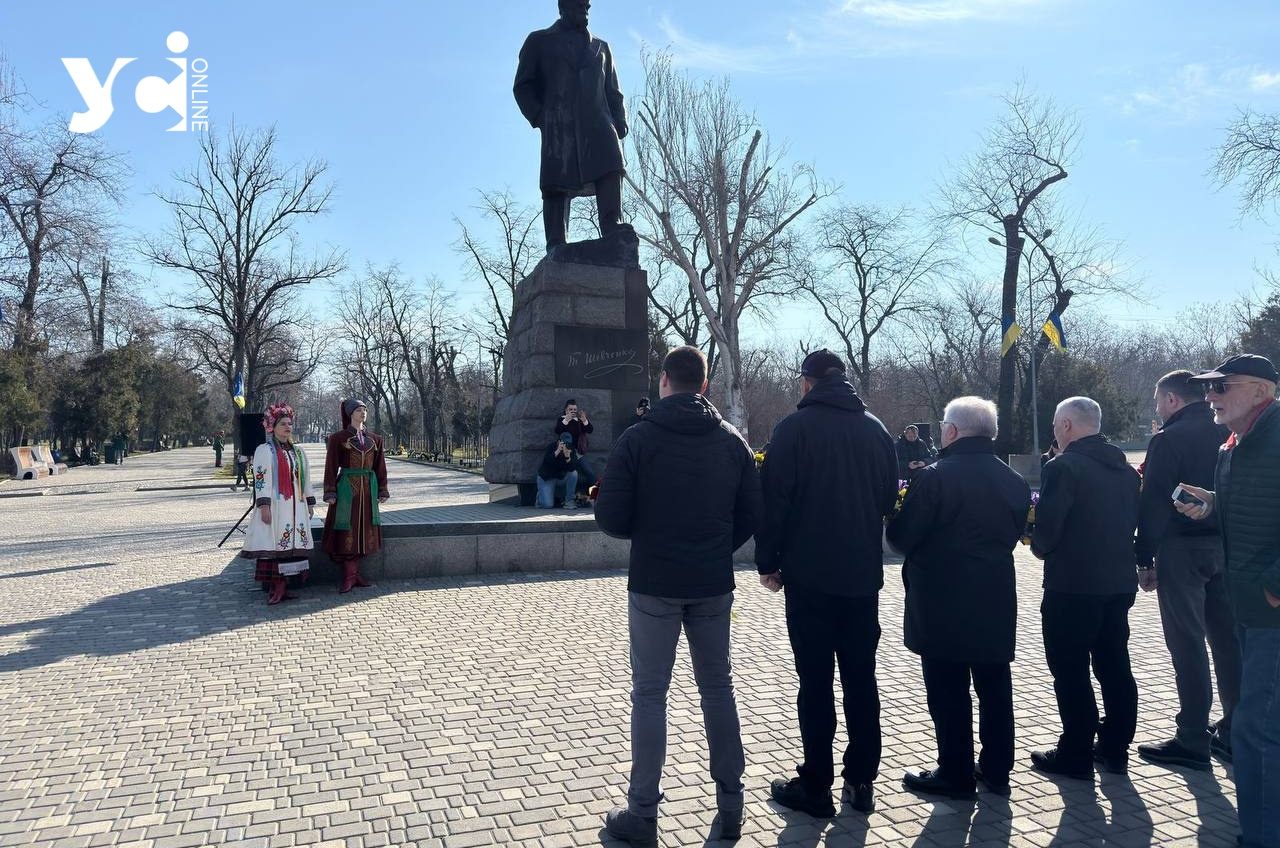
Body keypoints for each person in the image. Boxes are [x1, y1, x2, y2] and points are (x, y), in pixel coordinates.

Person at [594, 345, 761, 846]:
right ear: (705, 385)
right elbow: (751, 514)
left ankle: (643, 814)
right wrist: (713, 548)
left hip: (654, 584)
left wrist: (648, 534)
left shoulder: (637, 440)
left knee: (649, 694)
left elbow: (611, 518)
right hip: (711, 582)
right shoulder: (732, 441)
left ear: (664, 380)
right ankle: (731, 806)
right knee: (718, 689)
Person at [756, 349, 898, 817]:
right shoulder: (876, 430)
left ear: (807, 382)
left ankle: (815, 783)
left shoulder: (793, 430)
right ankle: (861, 781)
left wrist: (768, 562)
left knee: (814, 681)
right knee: (862, 680)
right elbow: (885, 499)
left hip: (809, 575)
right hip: (860, 576)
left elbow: (774, 501)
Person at [887, 397, 1030, 799]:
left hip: (942, 597)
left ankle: (955, 773)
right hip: (995, 595)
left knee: (948, 689)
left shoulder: (934, 477)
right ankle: (998, 770)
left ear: (951, 431)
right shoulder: (1014, 480)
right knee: (995, 685)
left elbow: (901, 538)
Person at [1177, 354, 1280, 848]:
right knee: (1258, 728)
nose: (1210, 397)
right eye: (1207, 388)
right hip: (1248, 606)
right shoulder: (1234, 445)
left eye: (1222, 387)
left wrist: (1274, 586)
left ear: (1261, 391)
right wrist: (1212, 502)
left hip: (1270, 612)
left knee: (1256, 731)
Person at [1134, 370, 1240, 771]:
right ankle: (1233, 731)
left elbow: (1154, 501)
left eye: (1159, 401)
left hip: (1180, 550)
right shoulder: (1228, 431)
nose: (1158, 409)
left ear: (1173, 401)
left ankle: (1192, 737)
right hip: (1225, 548)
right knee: (1228, 643)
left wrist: (1143, 557)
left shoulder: (1168, 439)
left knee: (1187, 643)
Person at [1030, 397, 1141, 780]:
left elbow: (1047, 534)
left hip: (1073, 586)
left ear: (1065, 426)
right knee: (1114, 666)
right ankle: (1115, 748)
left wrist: (1037, 543)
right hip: (1118, 583)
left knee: (1071, 671)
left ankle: (1075, 753)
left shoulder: (1064, 467)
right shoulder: (1127, 472)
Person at [513, 0, 628, 252]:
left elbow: (613, 91)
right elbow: (523, 85)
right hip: (559, 123)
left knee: (612, 167)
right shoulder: (539, 41)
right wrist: (540, 116)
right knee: (556, 182)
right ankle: (556, 240)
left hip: (599, 123)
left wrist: (619, 120)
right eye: (579, 6)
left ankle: (613, 226)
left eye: (587, 7)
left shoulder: (601, 47)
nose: (585, 11)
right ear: (563, 8)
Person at [239, 403, 316, 605]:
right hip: (276, 505)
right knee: (274, 544)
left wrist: (309, 502)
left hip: (296, 507)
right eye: (283, 424)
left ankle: (286, 585)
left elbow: (305, 479)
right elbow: (261, 479)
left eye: (290, 423)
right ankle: (276, 585)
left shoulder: (298, 452)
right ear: (272, 426)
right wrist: (264, 505)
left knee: (291, 545)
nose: (287, 427)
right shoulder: (265, 451)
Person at [322, 399, 390, 594]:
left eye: (365, 410)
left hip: (368, 491)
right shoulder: (338, 438)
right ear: (350, 413)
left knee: (364, 532)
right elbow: (331, 466)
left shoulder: (375, 439)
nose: (363, 413)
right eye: (359, 410)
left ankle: (355, 574)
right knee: (347, 531)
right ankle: (349, 576)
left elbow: (380, 467)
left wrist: (382, 489)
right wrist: (330, 492)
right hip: (346, 491)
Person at [555, 398, 595, 494]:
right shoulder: (562, 419)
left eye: (574, 410)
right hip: (565, 453)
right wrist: (566, 420)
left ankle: (593, 496)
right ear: (566, 410)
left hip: (578, 453)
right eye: (570, 409)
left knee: (590, 473)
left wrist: (585, 420)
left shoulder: (579, 420)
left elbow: (590, 430)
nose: (573, 411)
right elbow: (557, 431)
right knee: (569, 474)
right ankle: (566, 498)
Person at [536, 433, 580, 508]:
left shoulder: (571, 449)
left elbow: (572, 468)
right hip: (547, 478)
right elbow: (547, 463)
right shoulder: (552, 447)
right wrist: (557, 451)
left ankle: (569, 501)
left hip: (561, 478)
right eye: (564, 443)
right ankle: (540, 497)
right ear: (559, 442)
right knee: (547, 505)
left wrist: (567, 458)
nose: (565, 446)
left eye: (568, 443)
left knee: (574, 474)